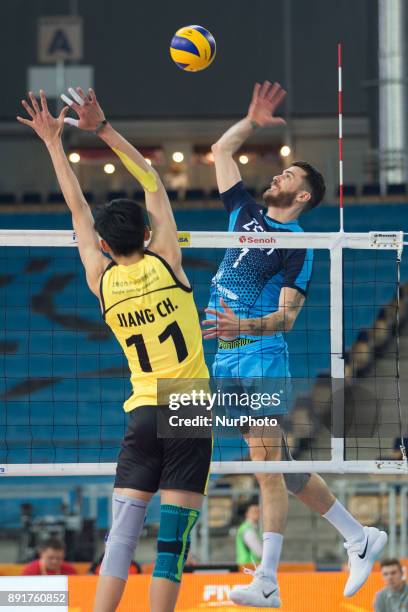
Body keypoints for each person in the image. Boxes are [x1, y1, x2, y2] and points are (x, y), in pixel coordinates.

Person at [17, 87, 211, 612]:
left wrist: (54, 144)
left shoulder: (101, 281)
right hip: (189, 407)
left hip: (143, 411)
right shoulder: (168, 261)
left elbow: (77, 208)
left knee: (120, 543)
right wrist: (101, 128)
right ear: (148, 233)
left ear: (104, 245)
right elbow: (150, 177)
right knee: (171, 548)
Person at [202, 80, 387, 607]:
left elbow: (285, 320)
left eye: (287, 175)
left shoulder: (298, 246)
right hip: (225, 358)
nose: (276, 176)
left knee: (266, 470)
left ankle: (267, 580)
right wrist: (252, 121)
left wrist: (245, 328)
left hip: (259, 357)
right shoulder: (242, 213)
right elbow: (220, 150)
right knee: (284, 468)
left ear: (302, 196)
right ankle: (359, 535)